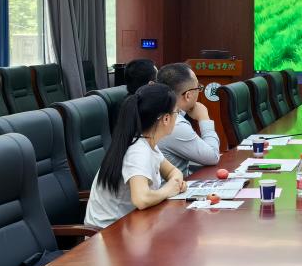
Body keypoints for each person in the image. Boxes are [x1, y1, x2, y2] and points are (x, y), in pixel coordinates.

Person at [85, 83, 186, 228]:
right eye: (177, 112)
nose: (178, 116)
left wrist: (175, 183)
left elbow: (172, 171)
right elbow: (141, 199)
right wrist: (168, 190)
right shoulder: (138, 151)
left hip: (131, 226)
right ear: (165, 119)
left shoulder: (146, 142)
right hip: (108, 233)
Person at [156, 62, 221, 174]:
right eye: (198, 88)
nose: (199, 91)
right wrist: (204, 118)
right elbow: (213, 157)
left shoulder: (156, 110)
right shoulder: (175, 124)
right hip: (174, 184)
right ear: (188, 95)